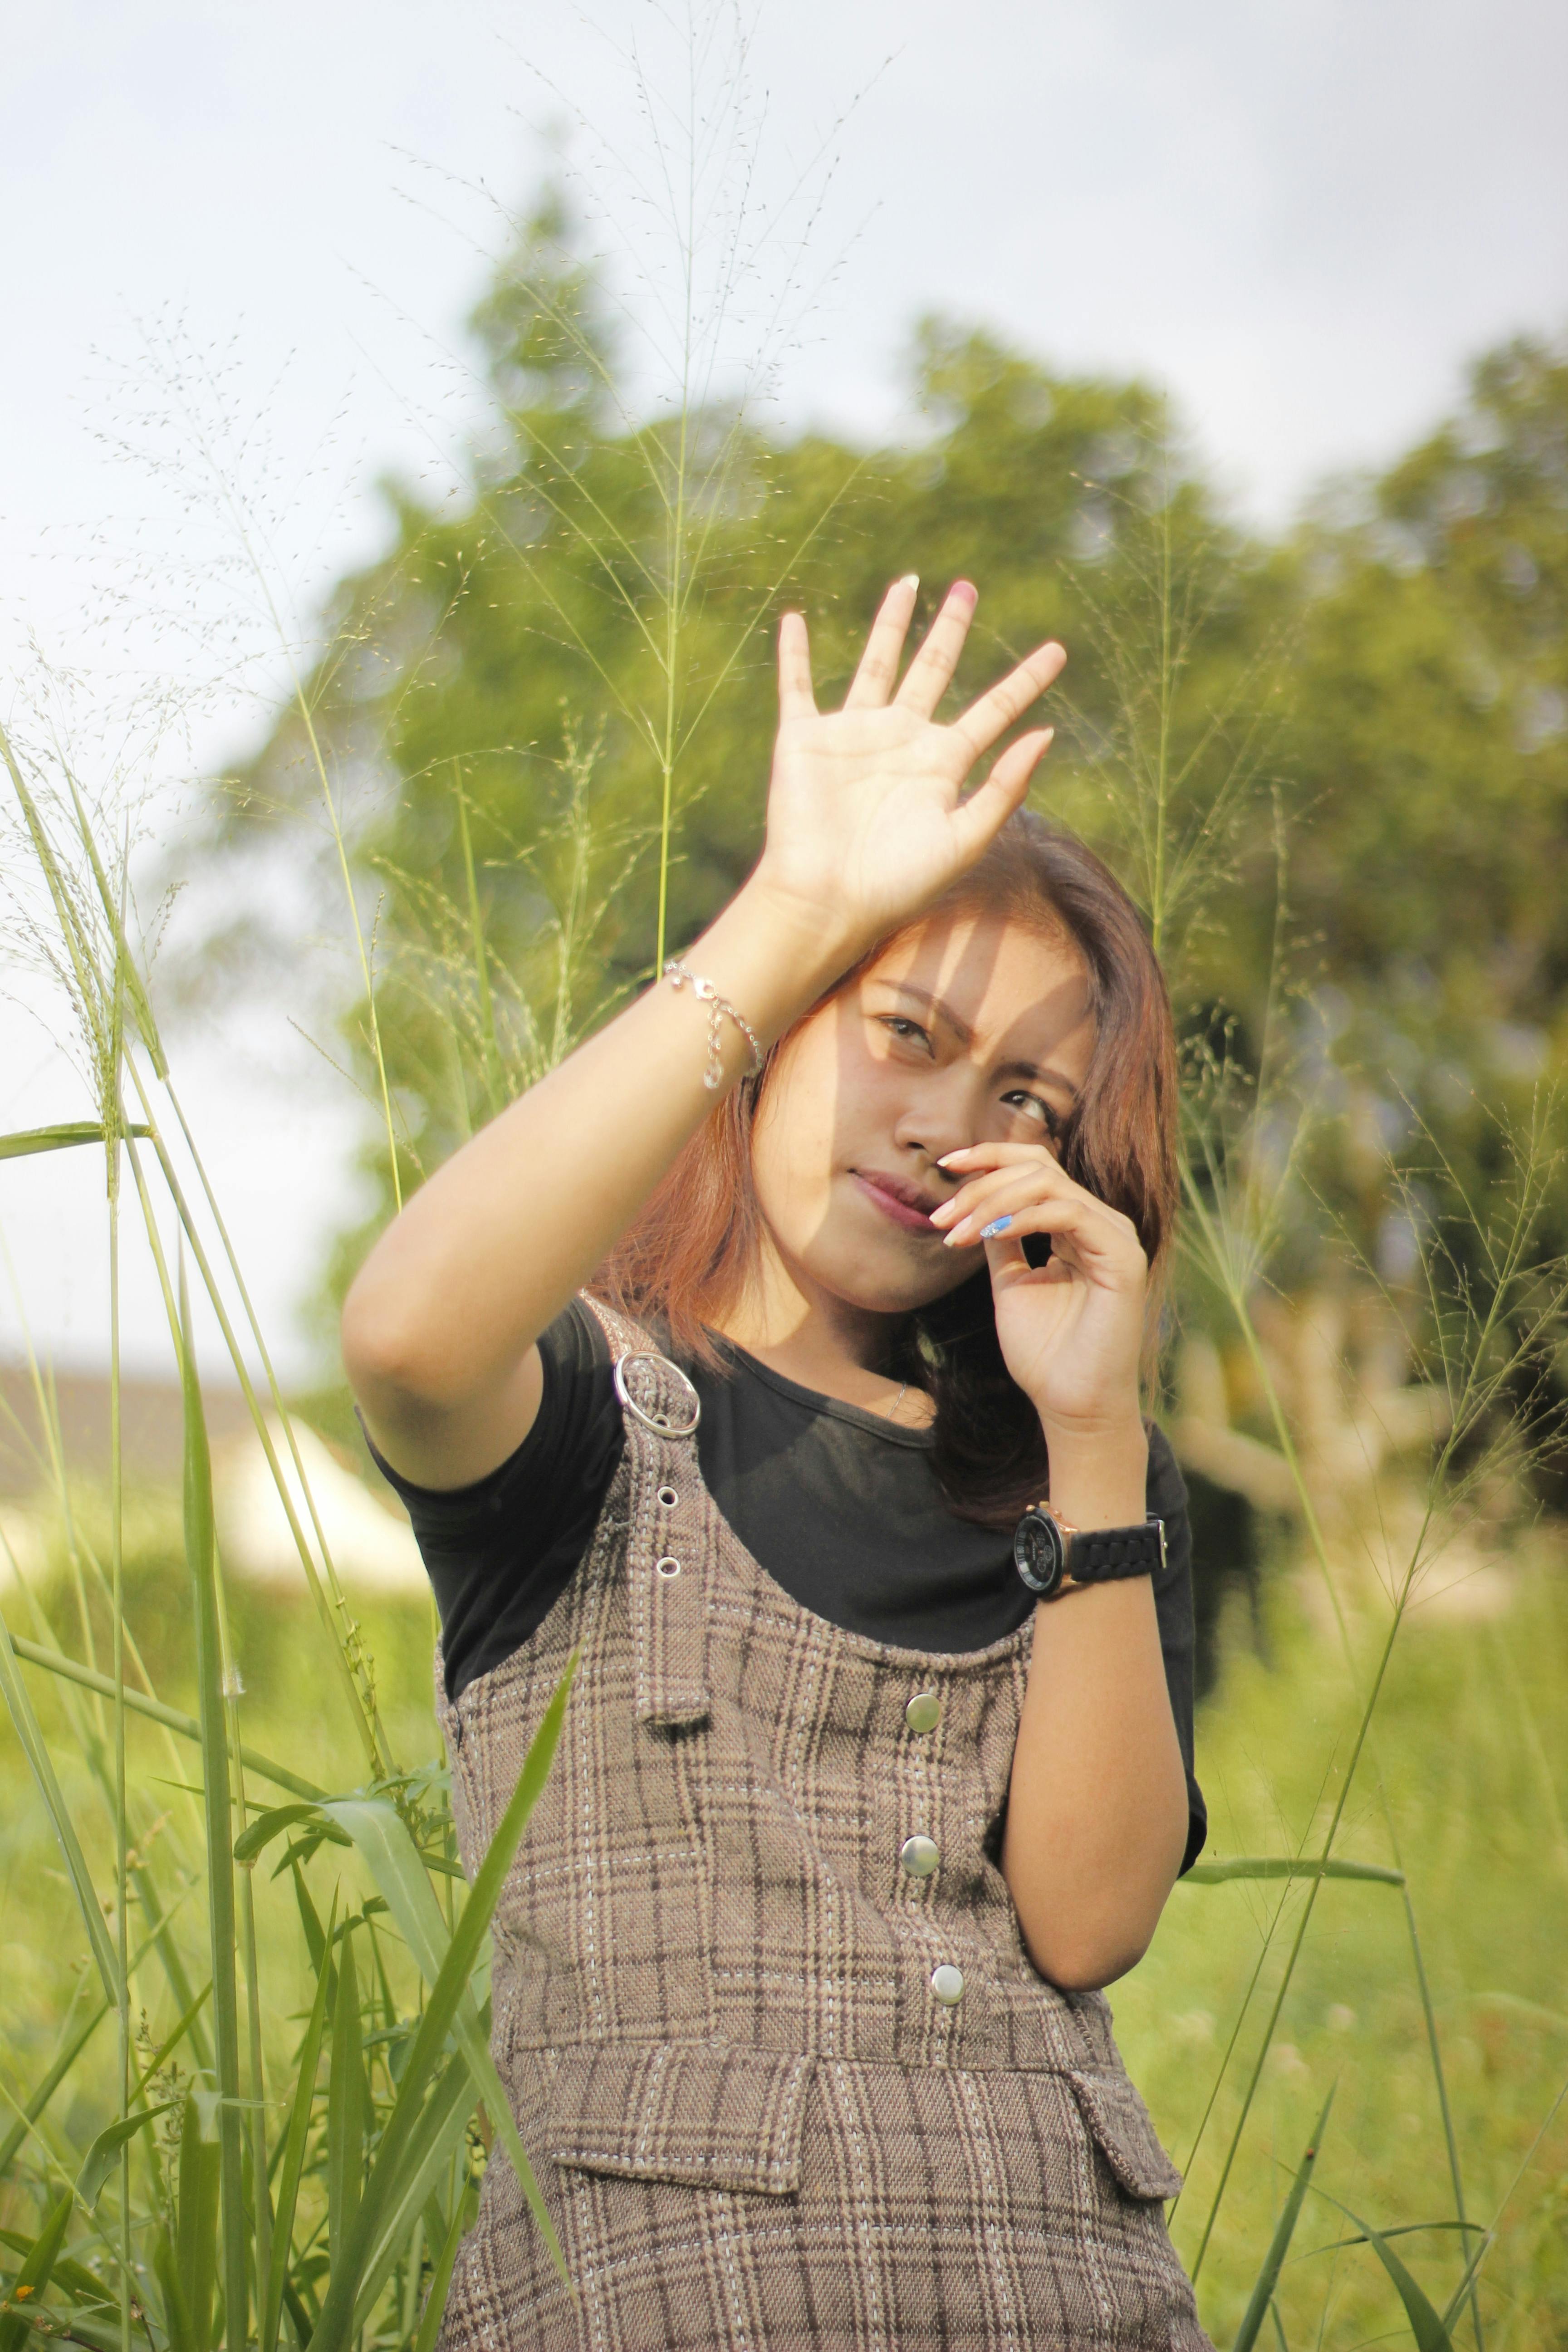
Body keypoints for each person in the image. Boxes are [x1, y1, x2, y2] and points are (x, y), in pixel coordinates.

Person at [344, 574, 1214, 2350]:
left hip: (1078, 2298)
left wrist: (1100, 1438)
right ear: (788, 1020)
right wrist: (799, 898)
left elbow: (1093, 1918)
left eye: (1029, 1100)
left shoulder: (1083, 1476)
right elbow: (408, 1336)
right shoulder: (587, 1412)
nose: (949, 1127)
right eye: (906, 1031)